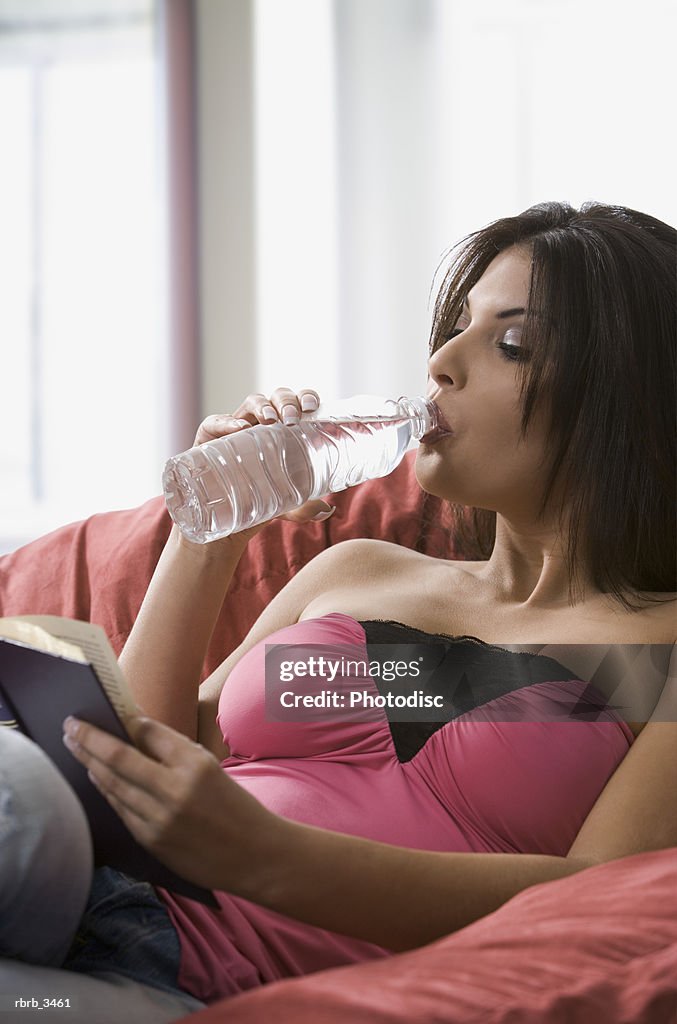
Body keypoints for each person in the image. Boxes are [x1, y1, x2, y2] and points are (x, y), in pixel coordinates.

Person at [4, 201, 676, 1009]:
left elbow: (596, 901)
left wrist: (265, 857)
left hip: (172, 971)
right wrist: (210, 531)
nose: (441, 362)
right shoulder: (356, 570)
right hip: (76, 872)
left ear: (631, 398)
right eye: (453, 328)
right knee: (22, 799)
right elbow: (141, 761)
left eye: (511, 343)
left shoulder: (663, 646)